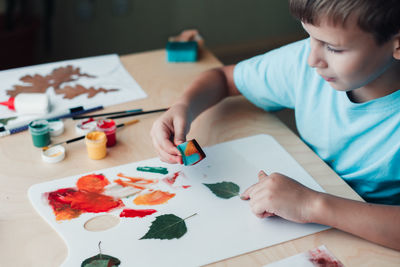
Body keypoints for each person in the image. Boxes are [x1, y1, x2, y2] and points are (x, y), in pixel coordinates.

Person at [151, 0, 400, 250]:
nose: (312, 59)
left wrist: (312, 205)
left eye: (334, 48)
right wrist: (183, 107)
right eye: (309, 36)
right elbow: (223, 78)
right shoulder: (304, 61)